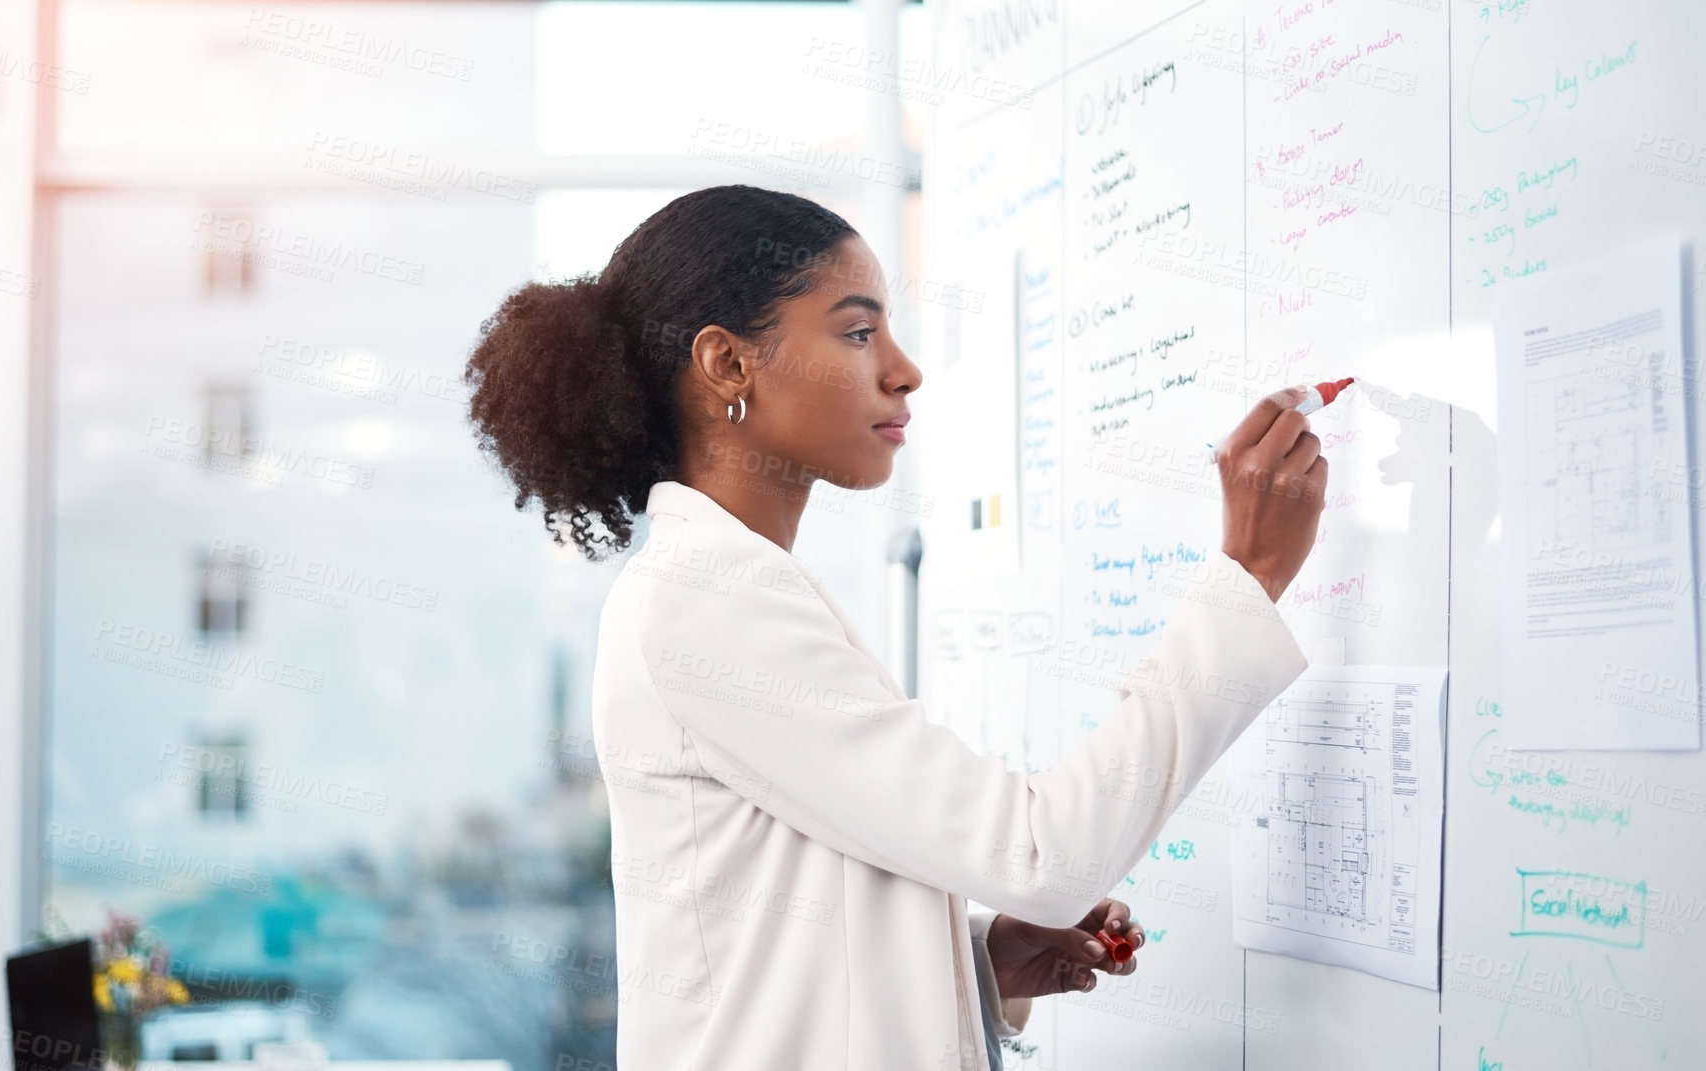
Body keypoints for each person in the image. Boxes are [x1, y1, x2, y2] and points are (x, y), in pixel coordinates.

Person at [464, 185, 1325, 1070]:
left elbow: (779, 922)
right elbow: (1043, 852)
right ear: (727, 364)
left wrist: (976, 961)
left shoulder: (723, 585)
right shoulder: (712, 597)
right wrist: (1247, 581)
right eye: (856, 331)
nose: (903, 368)